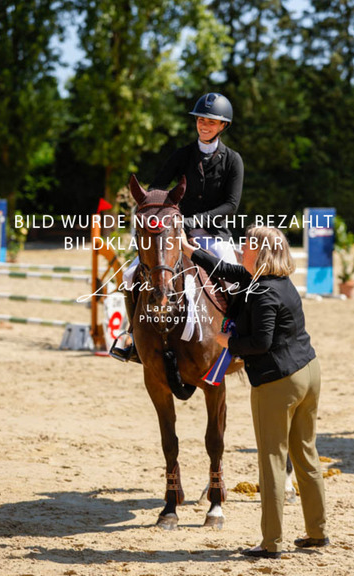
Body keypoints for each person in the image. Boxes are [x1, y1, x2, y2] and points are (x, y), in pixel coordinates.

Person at [181, 225, 329, 559]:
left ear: (260, 253)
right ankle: (318, 532)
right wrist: (189, 250)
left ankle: (271, 542)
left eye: (246, 245)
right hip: (309, 372)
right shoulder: (275, 281)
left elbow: (260, 343)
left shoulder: (262, 292)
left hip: (278, 382)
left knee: (272, 460)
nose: (240, 249)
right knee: (306, 454)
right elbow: (225, 269)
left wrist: (227, 342)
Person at [111, 92, 244, 363]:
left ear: (223, 126)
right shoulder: (182, 155)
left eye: (211, 121)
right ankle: (132, 335)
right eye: (201, 120)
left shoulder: (233, 160)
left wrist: (192, 221)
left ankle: (240, 337)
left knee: (234, 277)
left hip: (214, 236)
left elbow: (231, 205)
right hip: (175, 235)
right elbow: (156, 189)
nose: (204, 125)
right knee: (129, 275)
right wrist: (162, 215)